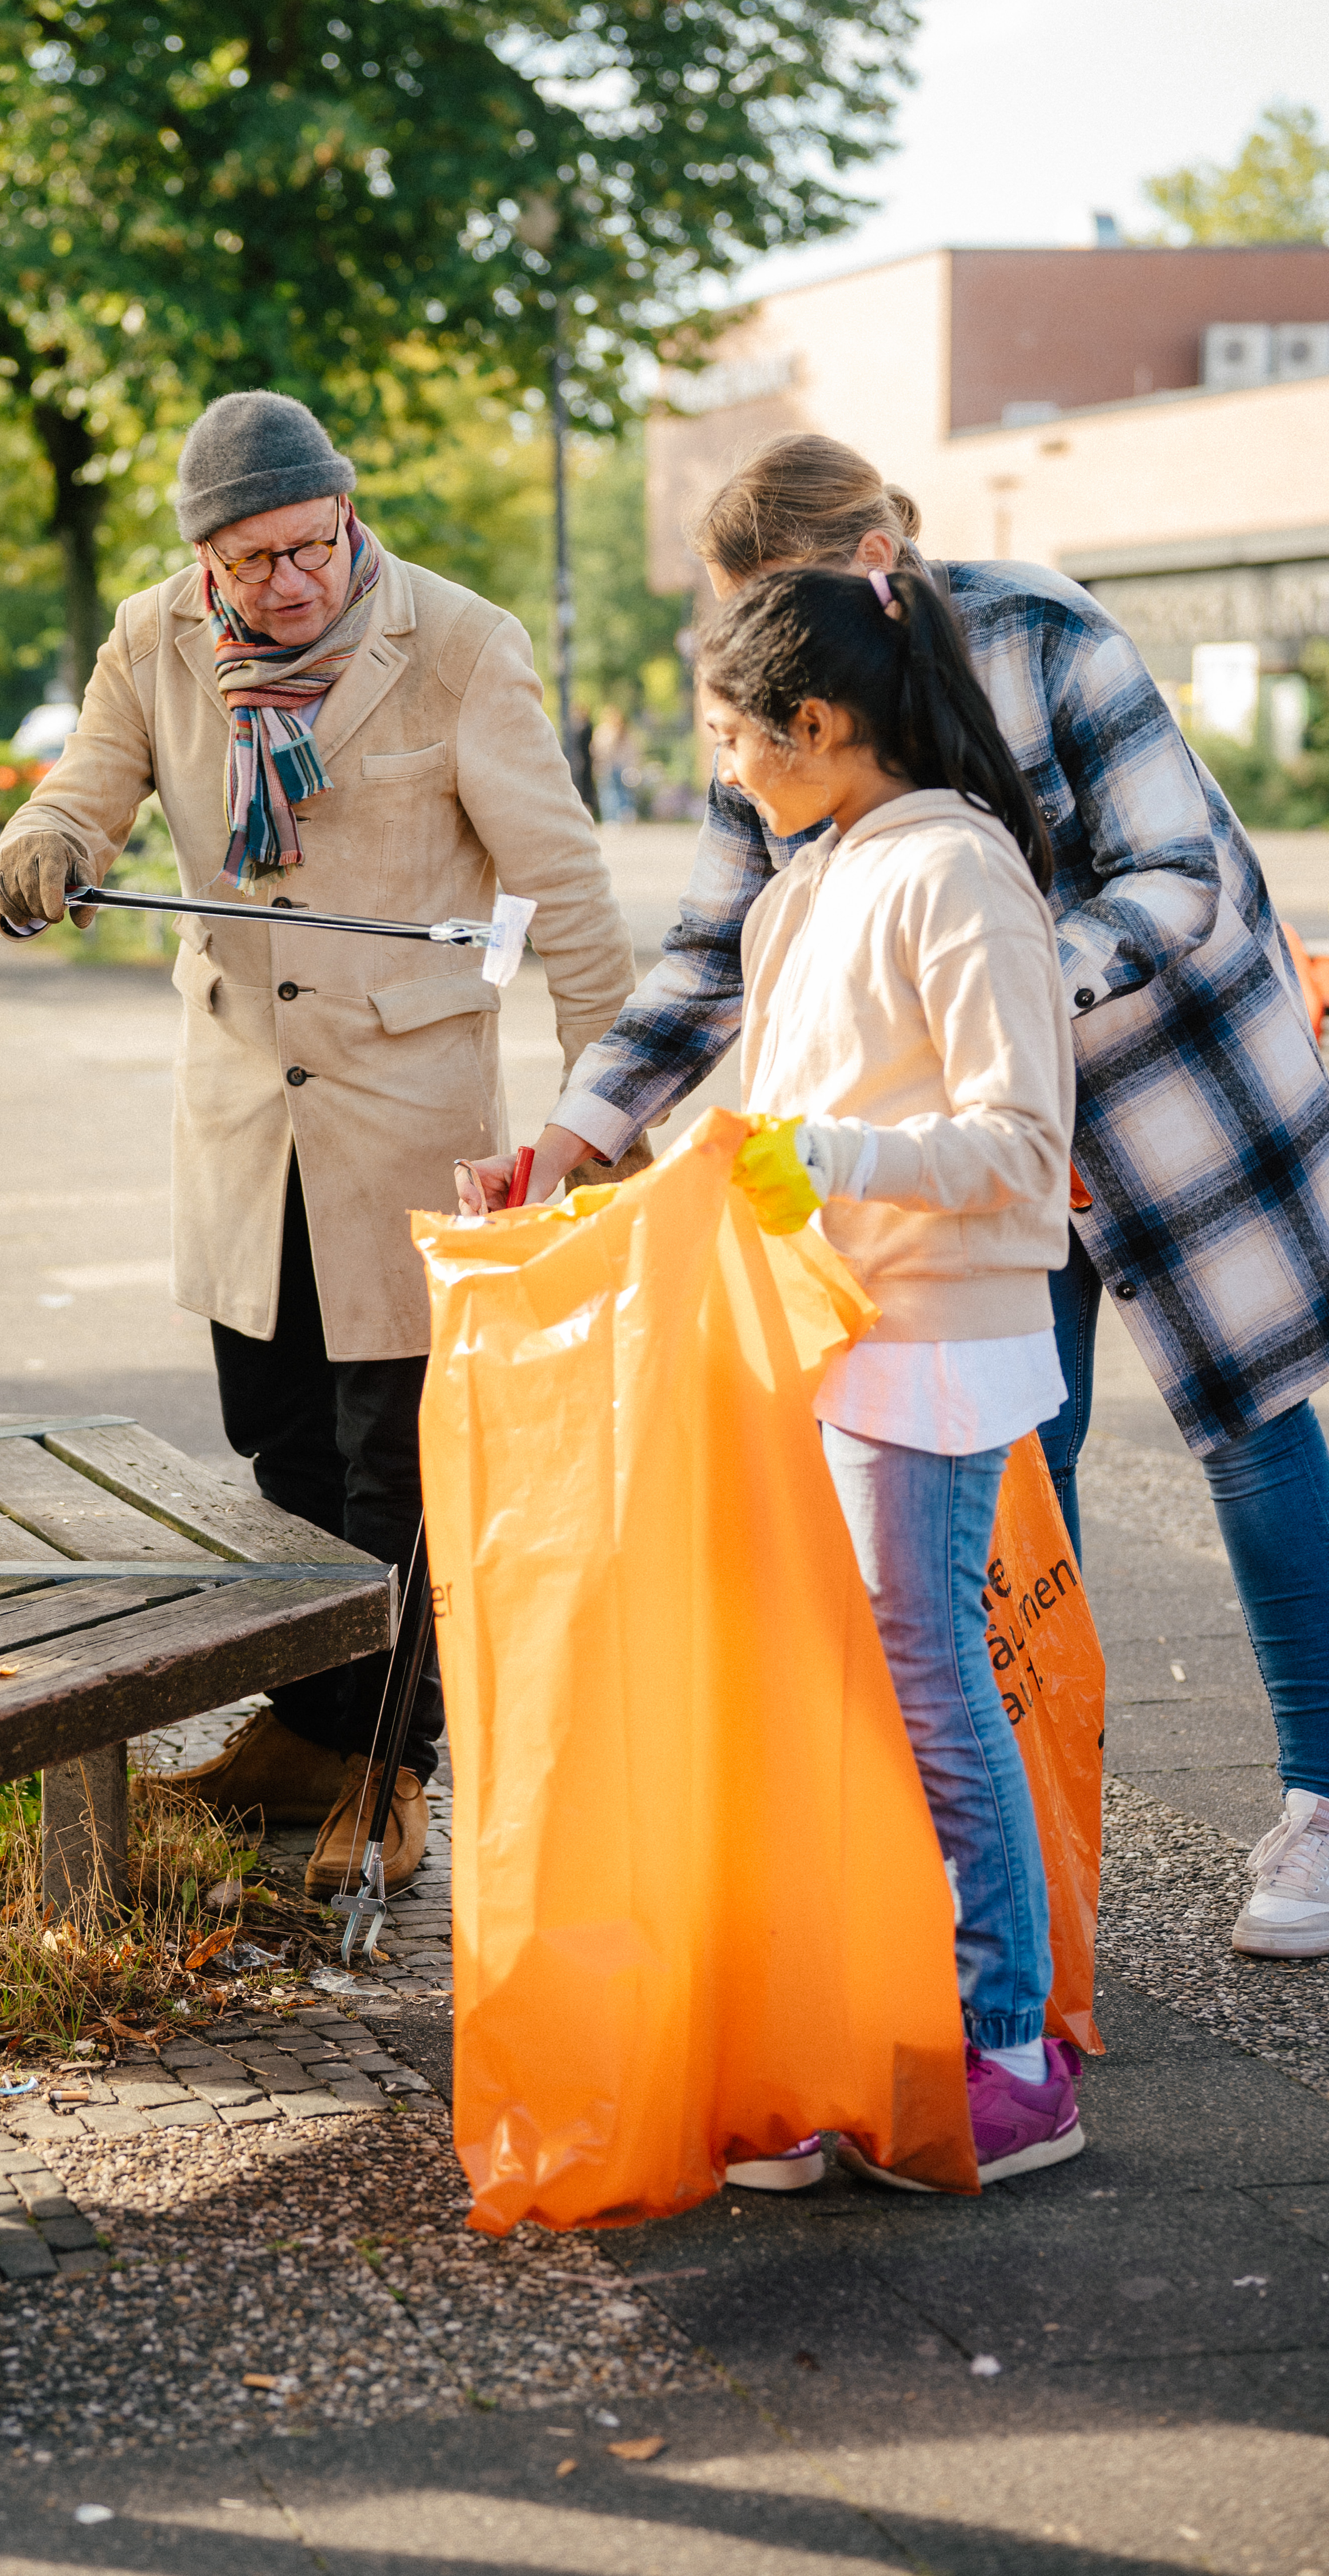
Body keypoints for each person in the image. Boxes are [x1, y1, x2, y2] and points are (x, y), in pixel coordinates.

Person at [482, 433, 1329, 1966]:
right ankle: (1040, 1796)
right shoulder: (792, 701)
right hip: (968, 1128)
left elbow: (1171, 870)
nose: (759, 674)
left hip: (1161, 1075)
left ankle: (1326, 1797)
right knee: (1017, 1453)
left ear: (875, 567)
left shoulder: (1048, 635)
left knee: (1254, 1429)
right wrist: (575, 1134)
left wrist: (1004, 998)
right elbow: (706, 953)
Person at [0, 391, 636, 1895]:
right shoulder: (155, 640)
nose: (287, 584)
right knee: (273, 1447)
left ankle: (391, 1775)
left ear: (348, 514)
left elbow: (574, 898)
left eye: (308, 547)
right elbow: (87, 786)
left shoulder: (462, 645)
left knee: (394, 1471)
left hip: (413, 1123)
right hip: (238, 1119)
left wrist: (594, 1125)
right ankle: (306, 1730)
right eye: (249, 560)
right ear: (203, 558)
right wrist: (51, 847)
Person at [709, 563, 1082, 2188]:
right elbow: (770, 1106)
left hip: (930, 1339)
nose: (723, 767)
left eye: (733, 735)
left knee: (930, 1691)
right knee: (850, 1698)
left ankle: (1011, 2048)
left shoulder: (956, 872)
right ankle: (867, 2026)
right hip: (833, 1331)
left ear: (815, 722)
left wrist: (827, 1154)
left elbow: (1021, 1142)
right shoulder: (816, 877)